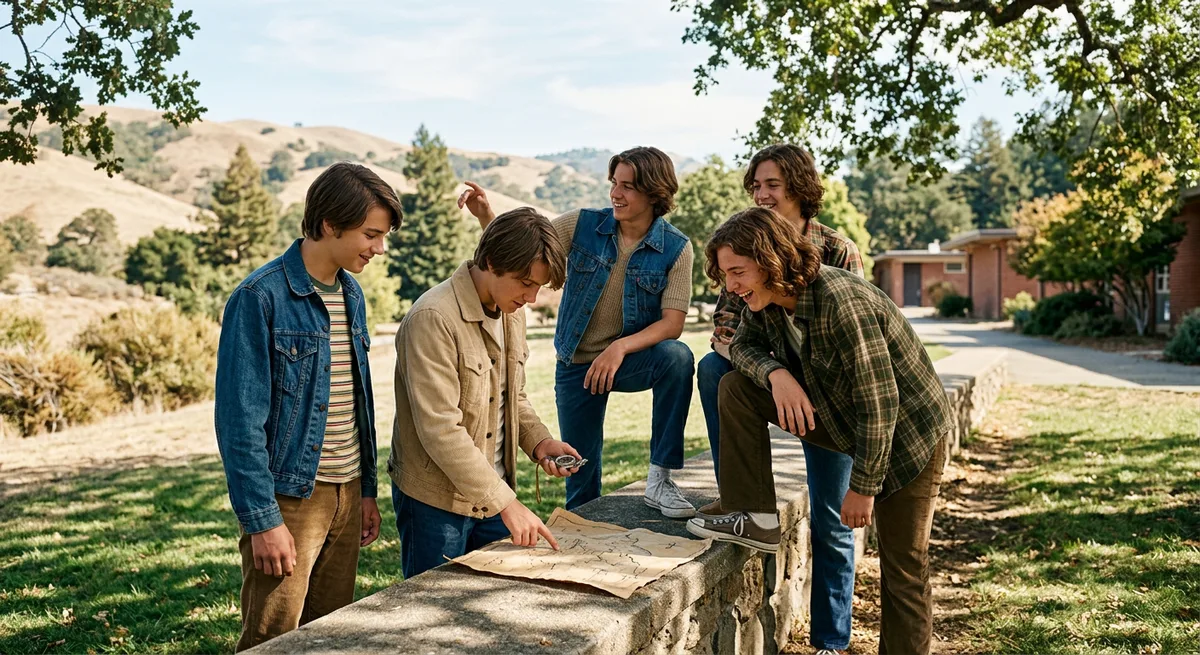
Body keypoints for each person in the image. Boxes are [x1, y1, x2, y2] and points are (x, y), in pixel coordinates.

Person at [688, 207, 952, 655]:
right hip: (841, 416)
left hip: (909, 438)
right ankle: (753, 516)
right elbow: (743, 347)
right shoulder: (765, 301)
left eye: (737, 272)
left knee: (903, 567)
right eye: (725, 274)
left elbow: (880, 405)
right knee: (733, 383)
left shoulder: (841, 301)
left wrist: (863, 488)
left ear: (771, 260)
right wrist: (776, 374)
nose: (730, 286)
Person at [214, 162, 402, 651]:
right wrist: (263, 520)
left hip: (347, 490)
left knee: (330, 635)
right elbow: (239, 423)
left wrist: (364, 492)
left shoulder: (352, 293)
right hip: (291, 500)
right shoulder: (259, 297)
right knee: (272, 639)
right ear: (327, 225)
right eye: (370, 234)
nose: (379, 248)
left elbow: (356, 398)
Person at [458, 146, 696, 518]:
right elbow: (522, 251)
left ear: (655, 193)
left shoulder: (677, 248)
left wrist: (619, 348)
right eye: (613, 183)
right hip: (577, 365)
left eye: (628, 186)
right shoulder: (583, 225)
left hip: (629, 360)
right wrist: (487, 215)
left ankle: (660, 480)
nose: (615, 193)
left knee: (678, 358)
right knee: (580, 478)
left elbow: (673, 323)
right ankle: (580, 549)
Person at [695, 144, 863, 654]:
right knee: (712, 370)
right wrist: (772, 373)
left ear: (799, 187)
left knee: (831, 521)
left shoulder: (837, 249)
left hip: (829, 395)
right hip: (768, 380)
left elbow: (851, 338)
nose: (762, 194)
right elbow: (726, 333)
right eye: (756, 186)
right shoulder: (741, 242)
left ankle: (831, 643)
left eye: (772, 184)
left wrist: (794, 377)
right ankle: (745, 500)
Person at [388, 207, 584, 579]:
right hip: (436, 503)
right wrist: (507, 503)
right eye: (525, 283)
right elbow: (440, 429)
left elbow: (514, 396)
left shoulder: (513, 310)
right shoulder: (433, 318)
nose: (531, 297)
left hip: (494, 494)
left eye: (539, 287)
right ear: (491, 261)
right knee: (434, 610)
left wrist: (540, 442)